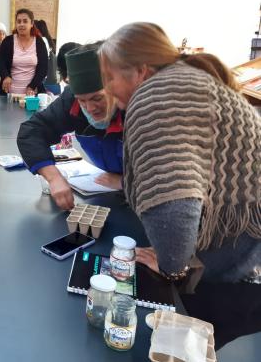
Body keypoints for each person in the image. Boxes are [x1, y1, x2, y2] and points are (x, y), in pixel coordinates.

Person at [99, 22, 261, 349]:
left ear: (141, 71)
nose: (110, 90)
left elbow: (175, 198)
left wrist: (173, 263)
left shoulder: (156, 96)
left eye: (111, 77)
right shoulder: (186, 80)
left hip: (235, 266)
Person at [17, 44, 124, 211]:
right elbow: (32, 131)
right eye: (82, 100)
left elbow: (173, 171)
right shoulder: (71, 100)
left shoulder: (139, 108)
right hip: (108, 194)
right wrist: (54, 178)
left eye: (97, 98)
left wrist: (125, 182)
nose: (90, 108)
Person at [0, 9, 48, 96]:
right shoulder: (8, 41)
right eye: (18, 21)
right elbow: (0, 64)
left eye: (25, 21)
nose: (21, 24)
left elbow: (43, 69)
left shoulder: (39, 42)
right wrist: (5, 76)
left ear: (31, 24)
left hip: (32, 94)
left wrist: (32, 86)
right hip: (9, 94)